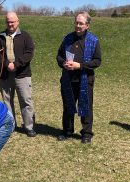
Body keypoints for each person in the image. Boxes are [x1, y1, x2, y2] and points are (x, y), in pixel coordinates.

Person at [56, 12, 101, 144]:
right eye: (76, 22)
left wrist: (79, 65)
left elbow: (97, 61)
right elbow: (59, 56)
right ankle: (67, 130)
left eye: (81, 23)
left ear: (87, 25)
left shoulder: (93, 40)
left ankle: (86, 133)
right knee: (68, 105)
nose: (78, 25)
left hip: (85, 80)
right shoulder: (67, 38)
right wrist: (63, 63)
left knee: (86, 106)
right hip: (68, 79)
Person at [0, 11, 36, 137]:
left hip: (22, 74)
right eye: (8, 22)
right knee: (7, 101)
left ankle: (29, 127)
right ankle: (10, 126)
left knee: (26, 101)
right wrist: (7, 65)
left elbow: (29, 53)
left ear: (18, 22)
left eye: (12, 21)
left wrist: (16, 64)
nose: (10, 24)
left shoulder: (25, 36)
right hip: (5, 75)